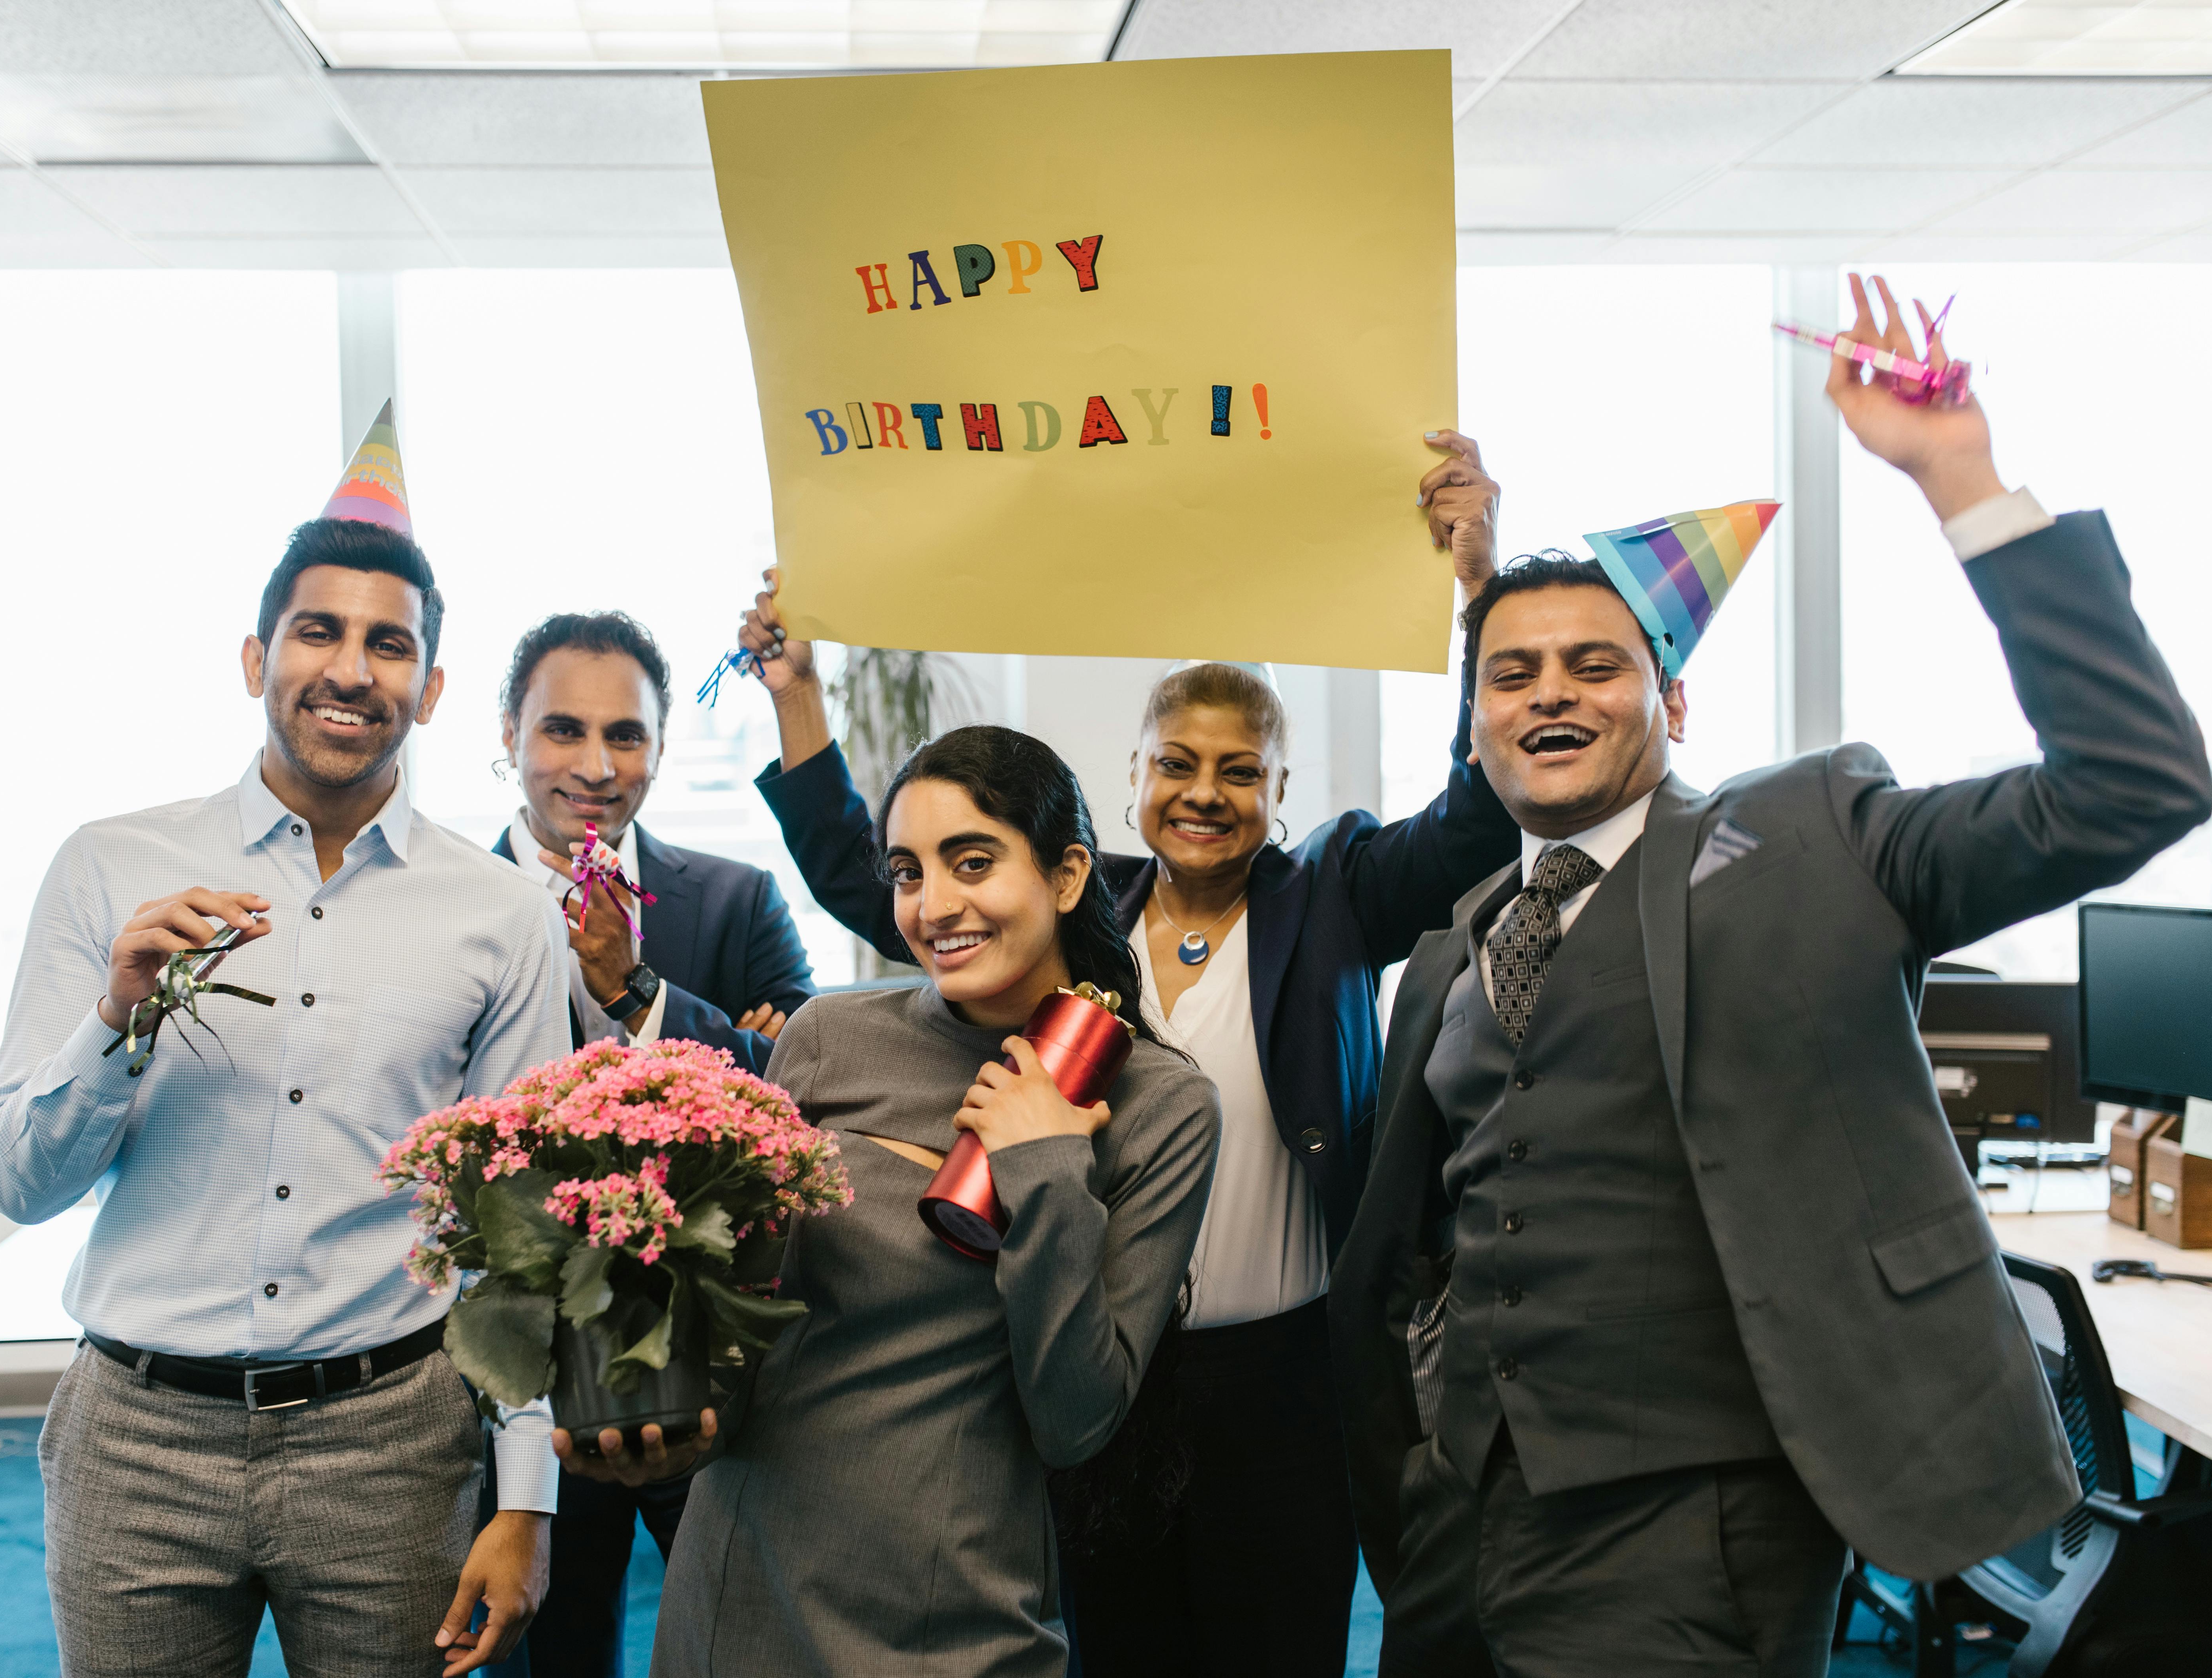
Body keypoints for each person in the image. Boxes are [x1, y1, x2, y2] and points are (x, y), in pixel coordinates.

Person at [1331, 277, 2212, 1678]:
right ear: (1477, 718)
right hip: (1459, 1514)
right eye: (1510, 675)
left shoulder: (1815, 842)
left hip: (1699, 1527)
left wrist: (1961, 478)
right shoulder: (1457, 936)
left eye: (1593, 665)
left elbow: (2131, 788)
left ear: (1672, 699)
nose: (1548, 694)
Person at [733, 432, 1520, 1674]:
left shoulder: (1335, 894)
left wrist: (1478, 596)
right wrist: (797, 698)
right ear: (1133, 777)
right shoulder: (1077, 922)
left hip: (1283, 1375)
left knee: (1279, 1644)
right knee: (1118, 1645)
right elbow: (876, 875)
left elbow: (1476, 818)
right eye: (1176, 765)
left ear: (1279, 785)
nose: (1205, 793)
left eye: (1239, 772)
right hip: (1099, 1358)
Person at [0, 406, 570, 1678]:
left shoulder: (504, 913)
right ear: (256, 658)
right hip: (135, 1439)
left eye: (389, 644)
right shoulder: (109, 867)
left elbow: (518, 1229)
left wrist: (526, 1493)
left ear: (433, 686)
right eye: (319, 631)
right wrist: (120, 1014)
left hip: (393, 1437)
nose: (352, 670)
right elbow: (20, 1182)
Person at [559, 724, 1219, 1677]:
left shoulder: (1162, 1105)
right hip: (736, 1586)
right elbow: (743, 1316)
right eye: (908, 872)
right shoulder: (829, 1036)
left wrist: (1044, 1170)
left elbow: (1073, 1421)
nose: (933, 905)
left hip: (946, 1619)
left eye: (973, 861)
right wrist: (650, 1420)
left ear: (1069, 875)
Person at [489, 609, 816, 1677]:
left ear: (661, 748)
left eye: (625, 735)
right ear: (507, 734)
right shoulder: (445, 905)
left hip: (702, 1374)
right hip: (512, 1382)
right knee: (544, 1653)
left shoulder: (735, 898)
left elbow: (795, 1103)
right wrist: (728, 1033)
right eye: (563, 731)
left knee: (740, 1639)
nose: (595, 764)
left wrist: (641, 997)